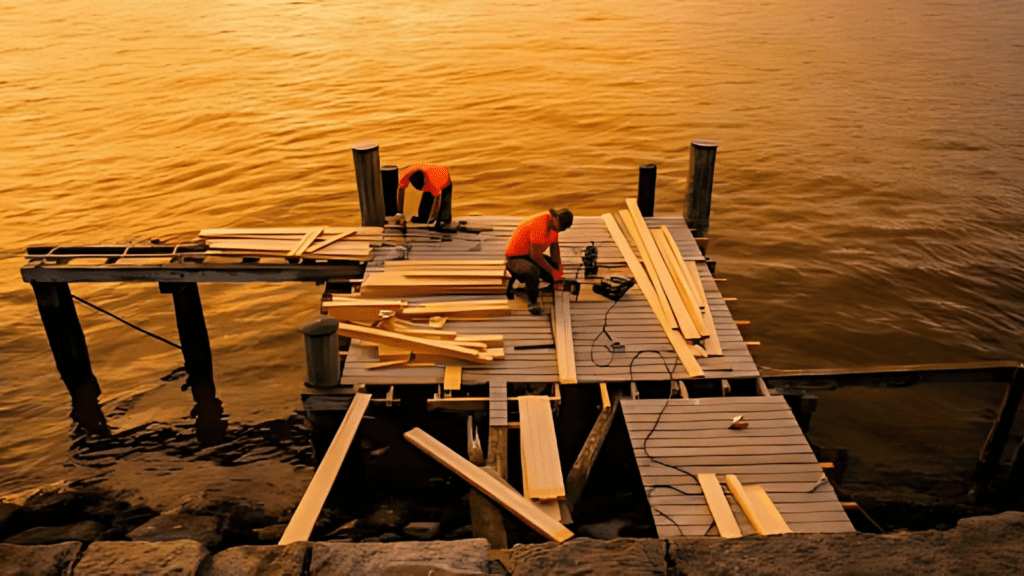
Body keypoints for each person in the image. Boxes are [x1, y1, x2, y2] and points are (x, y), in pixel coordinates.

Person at [505, 208, 574, 315]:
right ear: (555, 218)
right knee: (533, 271)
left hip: (529, 256)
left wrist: (559, 271)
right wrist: (553, 272)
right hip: (515, 258)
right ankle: (533, 302)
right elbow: (535, 256)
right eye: (561, 227)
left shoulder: (554, 228)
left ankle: (544, 284)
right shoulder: (539, 224)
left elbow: (555, 249)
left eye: (563, 229)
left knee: (553, 269)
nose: (560, 230)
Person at [395, 163, 452, 230]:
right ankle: (423, 219)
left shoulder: (435, 182)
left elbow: (437, 200)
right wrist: (400, 213)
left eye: (423, 187)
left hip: (444, 180)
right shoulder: (405, 174)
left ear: (425, 179)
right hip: (430, 176)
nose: (423, 190)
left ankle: (442, 220)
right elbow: (401, 191)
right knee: (425, 203)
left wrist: (433, 219)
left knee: (444, 211)